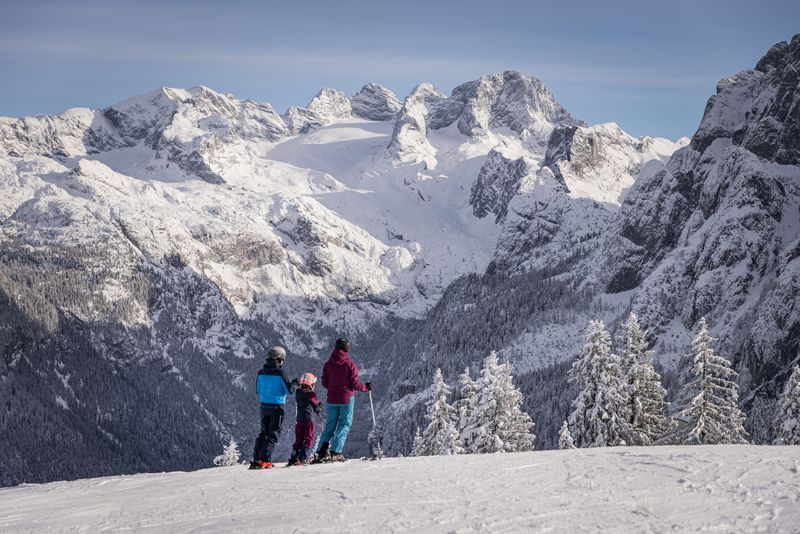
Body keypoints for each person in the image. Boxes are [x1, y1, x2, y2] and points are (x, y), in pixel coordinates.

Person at [314, 338, 372, 463]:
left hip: (332, 399)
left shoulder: (328, 364)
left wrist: (334, 388)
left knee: (330, 425)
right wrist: (365, 388)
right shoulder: (349, 364)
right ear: (346, 348)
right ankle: (335, 452)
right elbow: (355, 384)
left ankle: (321, 452)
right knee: (344, 424)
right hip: (346, 399)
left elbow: (324, 383)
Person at [250, 346, 298, 470]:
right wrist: (294, 384)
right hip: (277, 407)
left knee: (263, 433)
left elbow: (258, 389)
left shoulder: (261, 372)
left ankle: (256, 458)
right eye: (283, 359)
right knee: (273, 434)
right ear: (279, 359)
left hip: (263, 406)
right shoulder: (280, 373)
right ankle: (265, 460)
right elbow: (289, 391)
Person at [286, 372, 321, 466]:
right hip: (309, 420)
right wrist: (318, 407)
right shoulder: (311, 394)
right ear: (311, 384)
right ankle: (302, 458)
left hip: (299, 420)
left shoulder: (298, 392)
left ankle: (293, 458)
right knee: (308, 440)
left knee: (298, 440)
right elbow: (316, 406)